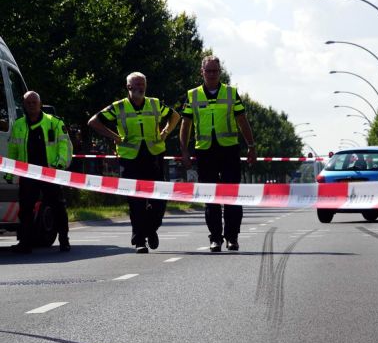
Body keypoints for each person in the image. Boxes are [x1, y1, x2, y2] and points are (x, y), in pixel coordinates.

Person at [88, 72, 180, 253]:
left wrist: (166, 132)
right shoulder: (119, 107)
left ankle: (150, 229)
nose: (140, 87)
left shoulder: (154, 103)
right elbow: (93, 122)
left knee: (160, 199)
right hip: (130, 158)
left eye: (143, 84)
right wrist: (115, 137)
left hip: (154, 155)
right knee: (136, 201)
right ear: (129, 87)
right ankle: (139, 240)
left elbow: (175, 116)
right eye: (137, 84)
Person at [179, 55, 257, 252]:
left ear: (219, 72)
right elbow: (185, 124)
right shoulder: (192, 95)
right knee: (210, 197)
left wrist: (251, 145)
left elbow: (242, 120)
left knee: (232, 196)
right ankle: (215, 238)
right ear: (202, 72)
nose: (212, 74)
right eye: (208, 71)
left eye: (215, 71)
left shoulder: (231, 93)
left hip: (229, 150)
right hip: (205, 152)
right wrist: (184, 151)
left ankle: (232, 237)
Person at [7, 91, 72, 254]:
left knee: (57, 207)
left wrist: (60, 164)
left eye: (34, 102)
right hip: (28, 174)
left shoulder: (54, 123)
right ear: (24, 105)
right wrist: (9, 172)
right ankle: (25, 243)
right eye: (28, 103)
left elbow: (64, 147)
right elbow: (13, 150)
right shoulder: (19, 125)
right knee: (25, 210)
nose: (31, 105)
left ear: (40, 104)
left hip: (50, 172)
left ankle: (64, 240)